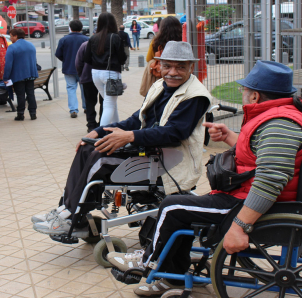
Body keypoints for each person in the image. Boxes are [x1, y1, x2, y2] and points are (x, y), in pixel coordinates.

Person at [106, 60, 302, 298]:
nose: (242, 92)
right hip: (248, 195)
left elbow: (271, 180)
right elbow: (262, 156)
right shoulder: (281, 116)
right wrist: (231, 138)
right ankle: (171, 274)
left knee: (173, 205)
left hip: (250, 204)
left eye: (245, 89)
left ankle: (148, 262)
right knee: (185, 206)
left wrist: (240, 226)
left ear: (255, 97)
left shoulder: (279, 124)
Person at [31, 41, 211, 239]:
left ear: (191, 67)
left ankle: (72, 216)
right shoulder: (160, 85)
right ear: (159, 66)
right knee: (86, 148)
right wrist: (98, 131)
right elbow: (137, 119)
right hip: (151, 151)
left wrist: (130, 136)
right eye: (167, 66)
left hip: (171, 161)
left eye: (180, 67)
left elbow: (174, 134)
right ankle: (66, 210)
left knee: (99, 158)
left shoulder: (195, 95)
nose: (172, 72)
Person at [84, 12, 126, 126]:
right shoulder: (115, 37)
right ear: (113, 23)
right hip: (111, 74)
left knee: (111, 104)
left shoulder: (93, 38)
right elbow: (122, 58)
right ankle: (101, 135)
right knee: (109, 105)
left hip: (96, 74)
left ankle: (117, 127)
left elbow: (86, 58)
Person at [55, 20, 89, 119]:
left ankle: (73, 109)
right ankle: (86, 107)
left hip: (69, 68)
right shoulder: (86, 39)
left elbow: (58, 54)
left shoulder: (64, 39)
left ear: (70, 27)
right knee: (84, 89)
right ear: (81, 28)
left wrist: (65, 60)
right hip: (83, 69)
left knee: (71, 88)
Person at [3, 29, 38, 121]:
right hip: (31, 74)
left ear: (15, 36)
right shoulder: (31, 45)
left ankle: (20, 114)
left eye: (11, 36)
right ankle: (33, 113)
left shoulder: (12, 47)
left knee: (20, 95)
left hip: (18, 75)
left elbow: (8, 64)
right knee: (31, 94)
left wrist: (6, 77)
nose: (10, 38)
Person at [75, 41, 104, 133]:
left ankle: (91, 124)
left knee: (90, 102)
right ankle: (102, 124)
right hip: (104, 78)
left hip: (88, 77)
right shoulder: (107, 43)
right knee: (104, 102)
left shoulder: (85, 45)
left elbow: (78, 63)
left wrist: (81, 74)